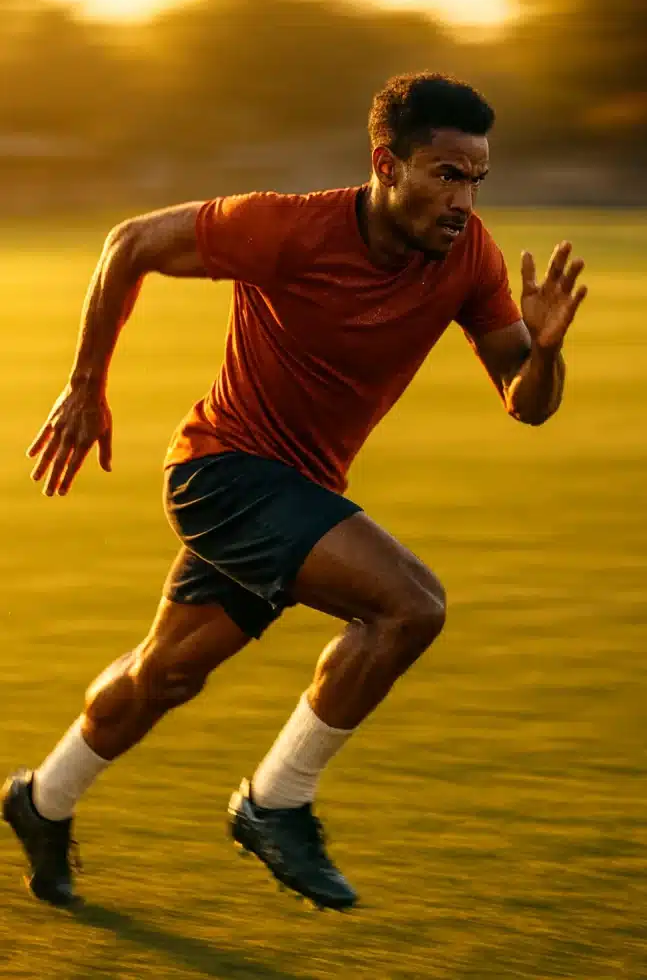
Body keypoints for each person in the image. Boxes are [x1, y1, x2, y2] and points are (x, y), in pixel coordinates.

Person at [2, 72, 587, 912]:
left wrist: (548, 350)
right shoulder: (285, 228)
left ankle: (39, 799)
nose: (463, 200)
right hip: (222, 471)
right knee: (408, 606)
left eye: (475, 181)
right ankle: (275, 802)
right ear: (385, 164)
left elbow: (524, 403)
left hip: (293, 490)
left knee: (164, 675)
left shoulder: (469, 259)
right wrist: (85, 387)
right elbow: (129, 241)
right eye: (445, 175)